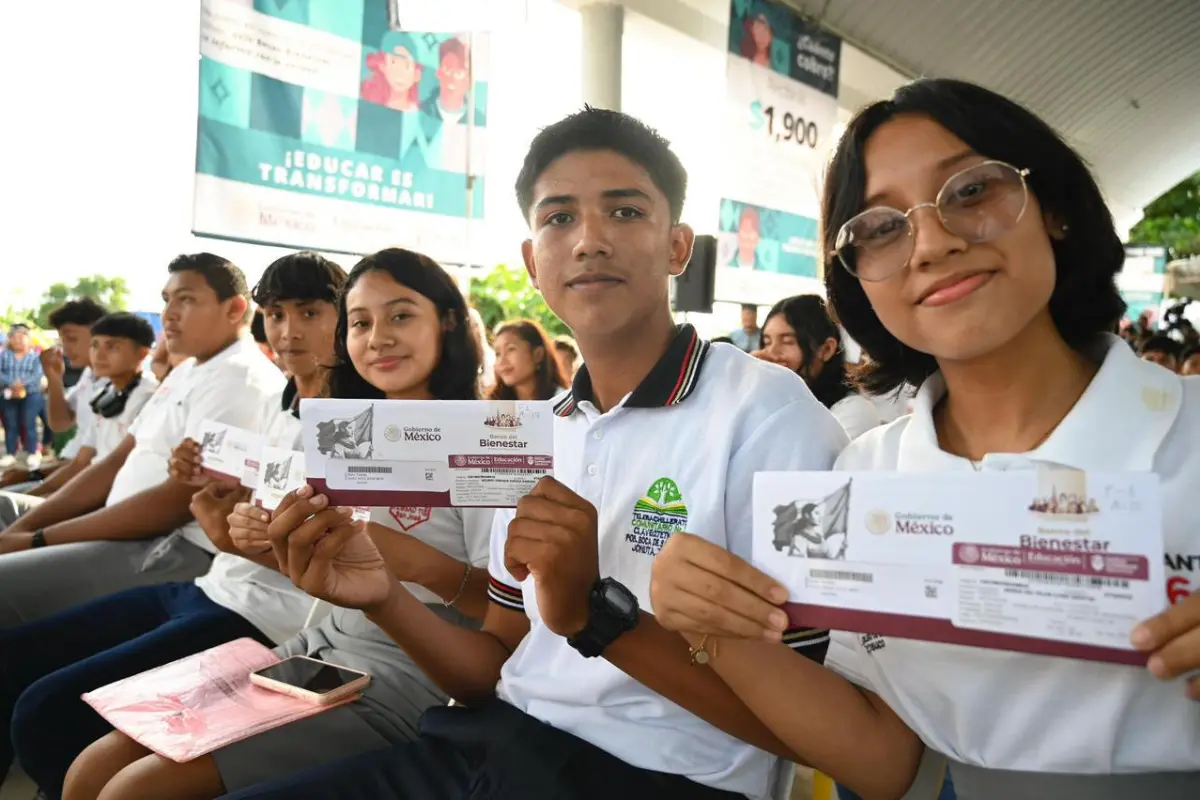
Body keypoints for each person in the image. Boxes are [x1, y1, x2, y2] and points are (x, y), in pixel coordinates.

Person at [173, 107, 847, 800]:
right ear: (532, 261)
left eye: (624, 211)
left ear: (678, 247)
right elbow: (494, 663)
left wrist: (596, 614)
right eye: (559, 218)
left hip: (660, 777)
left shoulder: (768, 416)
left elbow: (814, 732)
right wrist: (385, 598)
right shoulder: (531, 434)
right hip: (490, 740)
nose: (588, 240)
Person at [649, 78, 1200, 799]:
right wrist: (713, 628)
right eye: (881, 228)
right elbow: (885, 762)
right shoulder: (863, 479)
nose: (934, 243)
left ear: (1054, 209)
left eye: (970, 191)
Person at [66, 249, 498, 800]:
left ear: (449, 321)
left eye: (401, 315)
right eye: (360, 322)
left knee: (133, 791)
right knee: (92, 768)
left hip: (413, 668)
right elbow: (330, 576)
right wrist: (256, 537)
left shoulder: (491, 443)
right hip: (319, 642)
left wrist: (408, 561)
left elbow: (510, 613)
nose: (378, 338)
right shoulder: (345, 430)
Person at [0, 253, 344, 796]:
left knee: (46, 714)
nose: (287, 331)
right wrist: (216, 490)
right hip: (212, 585)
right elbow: (241, 499)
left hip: (262, 614)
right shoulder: (284, 400)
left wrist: (222, 526)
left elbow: (338, 568)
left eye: (309, 312)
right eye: (277, 314)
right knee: (22, 670)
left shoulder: (348, 422)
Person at [0, 254, 285, 629]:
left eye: (186, 299)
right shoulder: (188, 369)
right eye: (167, 300)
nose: (169, 314)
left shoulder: (241, 378)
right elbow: (116, 460)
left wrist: (37, 539)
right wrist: (19, 533)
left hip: (170, 544)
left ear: (234, 309)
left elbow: (179, 502)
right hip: (118, 525)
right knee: (5, 510)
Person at [0, 313, 158, 526]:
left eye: (112, 347)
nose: (99, 354)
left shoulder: (149, 397)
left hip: (111, 500)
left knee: (6, 506)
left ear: (142, 354)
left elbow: (108, 470)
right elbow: (81, 461)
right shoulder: (106, 392)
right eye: (95, 345)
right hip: (82, 487)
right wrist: (32, 486)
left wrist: (41, 496)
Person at [753, 295, 883, 440]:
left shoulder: (853, 411)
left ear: (826, 349)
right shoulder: (769, 402)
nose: (772, 352)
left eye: (788, 341)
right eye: (767, 342)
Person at [0, 323, 45, 466]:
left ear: (28, 338)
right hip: (9, 393)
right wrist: (11, 383)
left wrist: (22, 383)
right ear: (10, 339)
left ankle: (32, 452)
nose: (18, 340)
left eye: (21, 337)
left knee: (29, 422)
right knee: (10, 423)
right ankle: (10, 453)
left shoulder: (35, 356)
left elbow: (37, 374)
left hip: (31, 393)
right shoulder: (4, 355)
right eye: (14, 337)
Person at [489, 319, 568, 401]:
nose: (502, 361)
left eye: (511, 349)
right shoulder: (492, 403)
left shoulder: (562, 402)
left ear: (538, 355)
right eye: (497, 353)